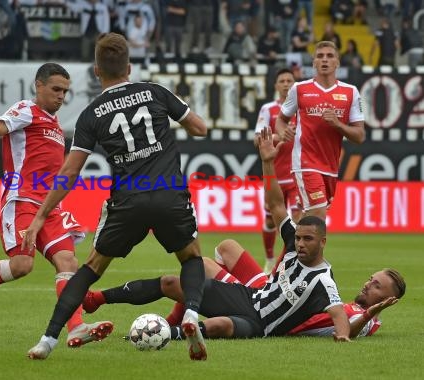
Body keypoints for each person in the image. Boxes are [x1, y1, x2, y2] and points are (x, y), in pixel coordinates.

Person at [22, 32, 209, 361]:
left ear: (97, 71)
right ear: (130, 67)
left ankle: (47, 340)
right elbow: (199, 128)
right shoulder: (154, 92)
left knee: (92, 267)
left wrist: (40, 217)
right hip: (168, 193)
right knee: (191, 257)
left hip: (128, 202)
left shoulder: (91, 114)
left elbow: (69, 173)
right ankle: (191, 316)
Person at [77, 127, 352, 342]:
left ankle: (158, 335)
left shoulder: (322, 279)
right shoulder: (293, 242)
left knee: (220, 325)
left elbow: (338, 312)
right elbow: (277, 205)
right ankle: (96, 299)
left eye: (308, 239)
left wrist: (343, 335)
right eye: (300, 237)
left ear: (323, 242)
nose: (300, 243)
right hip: (249, 298)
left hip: (262, 326)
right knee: (174, 282)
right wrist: (267, 163)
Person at [0, 63, 112, 348]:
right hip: (22, 201)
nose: (61, 97)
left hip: (49, 207)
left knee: (67, 261)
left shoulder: (54, 125)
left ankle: (76, 326)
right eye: (55, 89)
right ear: (38, 86)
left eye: (65, 91)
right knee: (21, 265)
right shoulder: (26, 110)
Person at [85, 241, 405, 339]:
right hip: (263, 293)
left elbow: (347, 330)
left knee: (204, 270)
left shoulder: (366, 319)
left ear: (388, 299)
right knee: (219, 252)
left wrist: (370, 316)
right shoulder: (331, 291)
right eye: (371, 278)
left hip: (263, 315)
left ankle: (165, 329)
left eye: (377, 286)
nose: (368, 284)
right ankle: (98, 298)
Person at [276, 41, 365, 220]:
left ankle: (291, 248)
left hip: (331, 167)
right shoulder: (299, 89)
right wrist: (283, 131)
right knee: (318, 215)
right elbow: (281, 119)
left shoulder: (351, 92)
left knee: (307, 218)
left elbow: (360, 136)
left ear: (337, 63)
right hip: (304, 163)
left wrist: (338, 124)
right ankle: (302, 249)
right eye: (320, 56)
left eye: (330, 56)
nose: (324, 60)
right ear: (314, 62)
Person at [254, 68, 301, 274]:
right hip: (275, 175)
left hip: (298, 172)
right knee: (271, 220)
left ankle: (288, 263)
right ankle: (270, 259)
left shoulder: (303, 108)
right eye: (282, 80)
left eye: (289, 80)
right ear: (276, 85)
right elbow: (258, 139)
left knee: (298, 222)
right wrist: (278, 136)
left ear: (295, 83)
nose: (286, 84)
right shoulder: (268, 110)